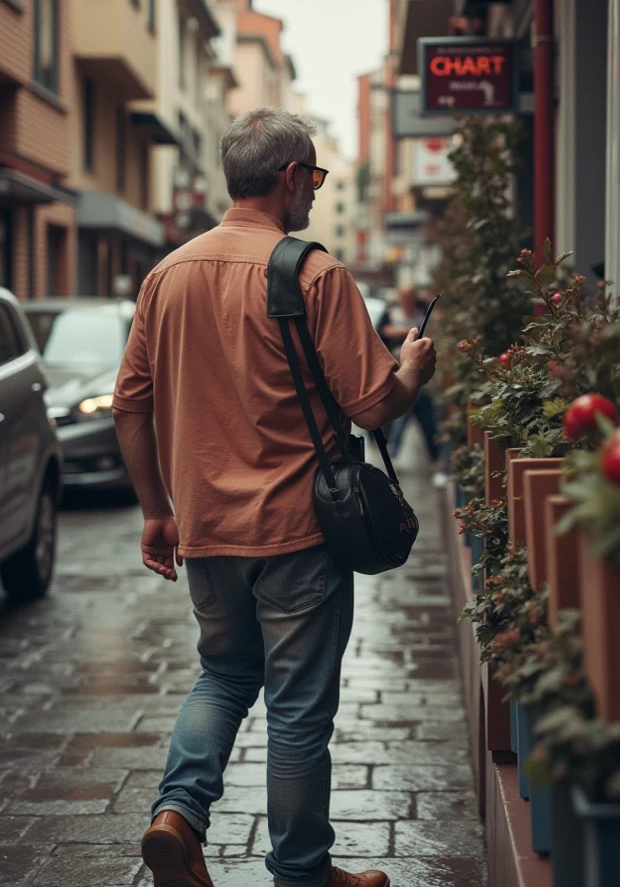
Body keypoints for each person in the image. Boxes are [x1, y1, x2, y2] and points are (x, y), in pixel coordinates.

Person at [112, 108, 437, 887]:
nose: (315, 196)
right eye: (314, 180)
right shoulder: (314, 272)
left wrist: (157, 511)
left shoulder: (167, 275)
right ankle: (300, 871)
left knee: (222, 676)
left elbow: (130, 404)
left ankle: (176, 817)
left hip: (207, 529)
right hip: (298, 530)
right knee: (295, 710)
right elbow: (372, 405)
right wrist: (415, 370)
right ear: (290, 177)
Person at [377, 286, 442, 479]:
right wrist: (409, 332)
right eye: (404, 297)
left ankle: (436, 461)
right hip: (400, 372)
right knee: (399, 419)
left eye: (411, 297)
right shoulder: (391, 312)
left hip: (423, 378)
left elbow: (435, 324)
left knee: (427, 421)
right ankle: (393, 458)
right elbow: (383, 331)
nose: (408, 300)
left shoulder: (422, 310)